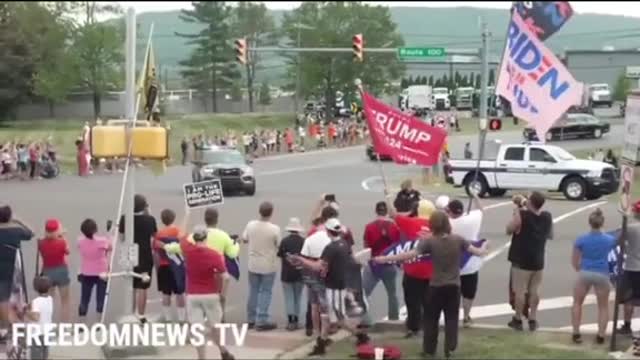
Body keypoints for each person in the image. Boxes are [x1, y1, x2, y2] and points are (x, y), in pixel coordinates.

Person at [373, 211, 488, 359]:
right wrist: (484, 246)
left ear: (432, 225)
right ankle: (450, 349)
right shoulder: (458, 239)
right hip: (454, 286)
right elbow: (478, 252)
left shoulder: (429, 242)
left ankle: (429, 349)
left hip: (436, 286)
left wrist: (386, 258)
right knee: (452, 319)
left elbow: (410, 255)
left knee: (431, 319)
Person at [290, 218, 370, 356]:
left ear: (327, 231)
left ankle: (360, 336)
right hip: (337, 284)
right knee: (326, 317)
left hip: (334, 288)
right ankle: (321, 344)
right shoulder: (344, 244)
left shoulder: (330, 248)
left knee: (339, 319)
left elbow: (318, 266)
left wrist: (301, 260)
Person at [180, 225, 235, 360]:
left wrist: (187, 213)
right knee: (215, 326)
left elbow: (181, 236)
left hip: (193, 295)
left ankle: (202, 357)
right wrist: (222, 295)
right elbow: (226, 277)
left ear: (194, 238)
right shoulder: (214, 254)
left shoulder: (187, 251)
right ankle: (223, 352)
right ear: (206, 237)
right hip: (210, 294)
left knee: (197, 329)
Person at [385, 195, 435, 338]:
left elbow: (393, 214)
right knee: (429, 301)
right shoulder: (438, 225)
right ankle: (429, 326)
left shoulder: (410, 223)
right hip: (431, 271)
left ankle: (413, 327)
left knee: (412, 301)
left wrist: (388, 197)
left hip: (412, 269)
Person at [506, 191, 553, 331]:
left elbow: (509, 229)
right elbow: (550, 235)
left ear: (530, 202)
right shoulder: (547, 217)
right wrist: (524, 203)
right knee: (534, 290)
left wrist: (516, 210)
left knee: (519, 291)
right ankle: (533, 318)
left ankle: (518, 318)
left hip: (521, 260)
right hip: (538, 260)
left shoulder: (522, 215)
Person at [571, 209, 615, 345]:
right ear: (602, 223)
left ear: (590, 223)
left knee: (577, 303)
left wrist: (579, 268)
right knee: (603, 306)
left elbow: (574, 260)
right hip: (602, 272)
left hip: (585, 272)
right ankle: (601, 335)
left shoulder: (581, 239)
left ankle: (576, 332)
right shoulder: (610, 240)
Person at [445, 194, 485, 328]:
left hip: (452, 265)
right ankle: (466, 316)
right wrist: (475, 196)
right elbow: (481, 209)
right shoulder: (473, 220)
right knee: (469, 293)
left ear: (450, 211)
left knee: (452, 294)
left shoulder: (448, 223)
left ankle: (451, 318)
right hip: (471, 264)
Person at [242, 202, 281, 331]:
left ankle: (251, 318)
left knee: (253, 290)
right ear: (271, 212)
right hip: (268, 264)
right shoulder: (274, 229)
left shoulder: (251, 225)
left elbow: (245, 239)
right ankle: (262, 319)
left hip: (253, 263)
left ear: (259, 211)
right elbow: (279, 245)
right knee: (266, 291)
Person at [119, 194, 158, 324]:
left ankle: (130, 311)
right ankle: (141, 314)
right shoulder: (150, 220)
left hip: (129, 251)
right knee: (143, 285)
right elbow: (155, 235)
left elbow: (122, 237)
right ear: (144, 206)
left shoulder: (125, 218)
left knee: (131, 283)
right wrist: (149, 212)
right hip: (144, 253)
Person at [361, 201, 400, 326]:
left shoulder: (369, 227)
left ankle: (365, 319)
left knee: (363, 293)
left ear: (376, 211)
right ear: (386, 212)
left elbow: (366, 246)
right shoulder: (394, 227)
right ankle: (394, 320)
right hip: (389, 264)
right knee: (392, 294)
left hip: (374, 264)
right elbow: (398, 245)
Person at [0, 205, 33, 341]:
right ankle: (13, 325)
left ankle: (3, 327)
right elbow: (31, 233)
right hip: (13, 266)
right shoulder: (16, 230)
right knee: (15, 293)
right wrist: (19, 220)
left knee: (2, 297)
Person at [154, 209, 187, 323]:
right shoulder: (177, 231)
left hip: (164, 265)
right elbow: (183, 243)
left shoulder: (159, 234)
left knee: (166, 293)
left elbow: (156, 251)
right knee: (180, 293)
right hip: (177, 266)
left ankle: (168, 318)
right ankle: (182, 318)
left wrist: (157, 267)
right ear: (174, 218)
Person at [77, 218, 111, 324]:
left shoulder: (80, 241)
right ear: (95, 229)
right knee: (100, 300)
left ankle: (81, 324)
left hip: (86, 272)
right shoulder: (102, 241)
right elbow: (110, 247)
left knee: (84, 300)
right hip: (102, 273)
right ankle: (99, 324)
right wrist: (109, 233)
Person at [37, 219, 71, 322]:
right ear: (57, 230)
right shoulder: (62, 242)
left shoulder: (40, 243)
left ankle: (48, 324)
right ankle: (65, 327)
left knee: (49, 301)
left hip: (47, 272)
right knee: (65, 301)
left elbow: (45, 240)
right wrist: (63, 236)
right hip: (61, 272)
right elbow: (68, 251)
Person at [277, 218, 306, 331]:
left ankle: (290, 321)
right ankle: (297, 319)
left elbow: (280, 255)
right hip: (300, 273)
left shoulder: (284, 241)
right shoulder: (303, 241)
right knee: (298, 297)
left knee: (289, 297)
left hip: (287, 273)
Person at [27, 276, 53, 360]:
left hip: (37, 333)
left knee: (36, 355)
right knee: (45, 352)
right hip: (47, 331)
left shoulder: (36, 302)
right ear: (49, 288)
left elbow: (36, 317)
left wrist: (26, 312)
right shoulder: (50, 299)